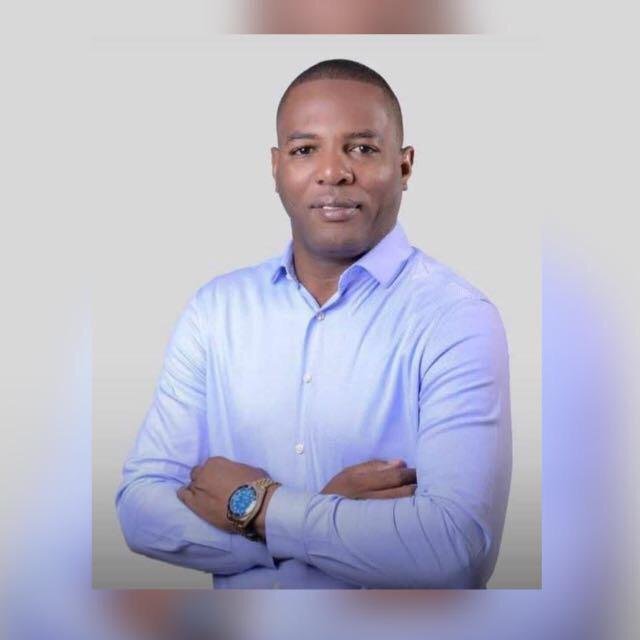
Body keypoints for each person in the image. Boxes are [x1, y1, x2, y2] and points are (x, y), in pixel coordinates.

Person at [116, 58, 512, 589]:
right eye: (305, 150)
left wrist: (259, 509)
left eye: (362, 148)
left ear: (405, 167)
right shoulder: (215, 312)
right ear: (276, 167)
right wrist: (321, 516)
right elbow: (140, 509)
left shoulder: (457, 319)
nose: (333, 172)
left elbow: (457, 549)